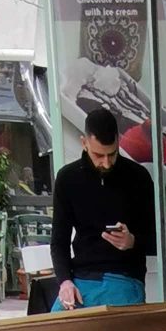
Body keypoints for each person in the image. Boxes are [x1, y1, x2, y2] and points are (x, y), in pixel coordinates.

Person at [50, 104, 157, 310]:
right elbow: (59, 241)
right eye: (99, 155)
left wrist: (132, 241)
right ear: (84, 143)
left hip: (125, 277)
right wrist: (64, 281)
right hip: (81, 277)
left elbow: (156, 240)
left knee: (114, 327)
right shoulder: (67, 179)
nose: (107, 163)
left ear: (118, 141)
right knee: (52, 328)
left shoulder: (138, 178)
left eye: (112, 154)